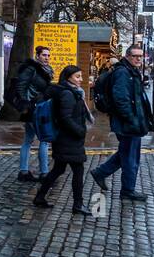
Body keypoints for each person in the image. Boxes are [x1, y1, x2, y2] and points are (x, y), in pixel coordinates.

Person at [91, 44, 154, 201]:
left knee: (126, 153)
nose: (138, 59)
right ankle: (127, 190)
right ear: (127, 56)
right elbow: (121, 99)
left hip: (131, 122)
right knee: (131, 157)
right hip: (127, 123)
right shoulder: (123, 73)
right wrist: (132, 119)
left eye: (140, 56)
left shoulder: (130, 71)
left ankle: (100, 172)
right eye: (135, 56)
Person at [33, 66, 93, 215]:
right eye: (77, 76)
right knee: (78, 171)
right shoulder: (68, 94)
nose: (81, 79)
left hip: (66, 139)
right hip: (69, 139)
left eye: (81, 76)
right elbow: (65, 118)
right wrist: (80, 131)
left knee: (58, 169)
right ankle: (78, 205)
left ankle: (40, 197)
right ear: (68, 77)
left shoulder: (70, 92)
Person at [10, 45, 53, 182]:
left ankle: (23, 172)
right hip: (34, 109)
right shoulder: (31, 69)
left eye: (48, 55)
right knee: (44, 140)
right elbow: (21, 86)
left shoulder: (47, 70)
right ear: (37, 56)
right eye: (44, 55)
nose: (46, 58)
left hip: (40, 107)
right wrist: (25, 105)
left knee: (28, 140)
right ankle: (44, 173)